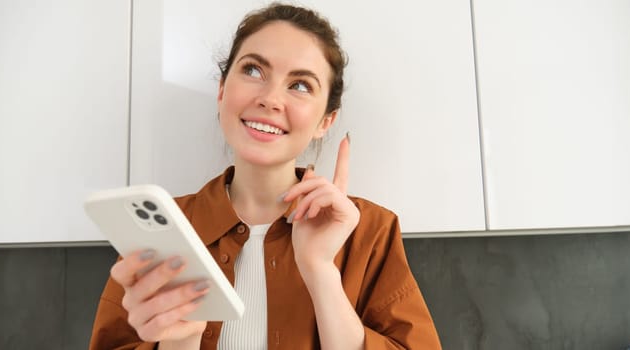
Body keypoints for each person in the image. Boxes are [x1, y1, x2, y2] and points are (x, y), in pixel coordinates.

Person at [89, 3, 441, 349]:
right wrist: (179, 341)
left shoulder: (371, 231)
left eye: (301, 85)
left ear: (326, 121)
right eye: (254, 70)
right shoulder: (157, 229)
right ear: (223, 89)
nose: (270, 99)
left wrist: (321, 272)